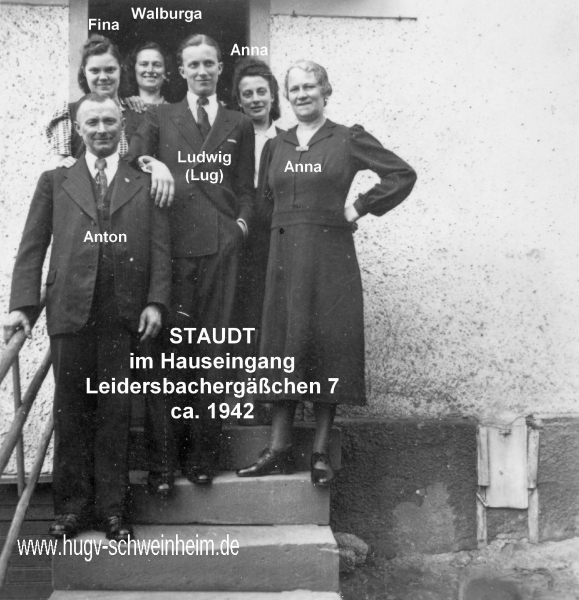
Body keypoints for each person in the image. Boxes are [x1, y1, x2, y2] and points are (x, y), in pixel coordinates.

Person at [236, 61, 417, 486]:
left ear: (325, 91)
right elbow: (264, 205)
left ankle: (319, 452)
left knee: (326, 342)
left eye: (310, 87)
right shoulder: (275, 145)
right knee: (283, 341)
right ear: (287, 96)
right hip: (283, 257)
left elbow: (401, 174)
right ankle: (278, 448)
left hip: (329, 257)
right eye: (295, 88)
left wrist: (358, 208)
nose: (302, 94)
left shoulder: (347, 138)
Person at [5, 94, 171, 540]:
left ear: (122, 128)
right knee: (72, 410)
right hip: (70, 311)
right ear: (78, 129)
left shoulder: (142, 181)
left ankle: (113, 510)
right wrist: (22, 305)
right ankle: (71, 510)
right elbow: (32, 245)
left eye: (109, 122)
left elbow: (160, 247)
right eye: (92, 122)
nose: (101, 129)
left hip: (123, 313)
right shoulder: (54, 180)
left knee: (116, 412)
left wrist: (155, 301)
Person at [125, 34, 255, 493]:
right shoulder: (161, 116)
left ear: (220, 68)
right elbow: (132, 158)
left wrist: (240, 227)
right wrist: (153, 163)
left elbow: (245, 188)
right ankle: (162, 467)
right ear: (180, 72)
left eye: (209, 64)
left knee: (212, 354)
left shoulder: (239, 123)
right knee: (166, 357)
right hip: (173, 250)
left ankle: (202, 459)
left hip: (221, 251)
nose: (201, 71)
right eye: (193, 65)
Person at [230, 59, 284, 413]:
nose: (255, 99)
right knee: (239, 317)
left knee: (271, 315)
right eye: (247, 93)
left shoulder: (287, 139)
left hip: (273, 237)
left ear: (273, 95)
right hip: (238, 234)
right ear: (238, 99)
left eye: (261, 91)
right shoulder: (230, 136)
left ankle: (267, 397)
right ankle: (239, 396)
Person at [46, 35, 143, 165]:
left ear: (120, 69)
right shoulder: (68, 113)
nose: (103, 77)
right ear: (84, 72)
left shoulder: (137, 110)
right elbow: (58, 166)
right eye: (95, 71)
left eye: (110, 70)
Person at [122, 41, 173, 106]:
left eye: (157, 65)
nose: (150, 70)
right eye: (144, 64)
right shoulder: (123, 106)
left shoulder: (175, 110)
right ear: (134, 69)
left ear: (165, 72)